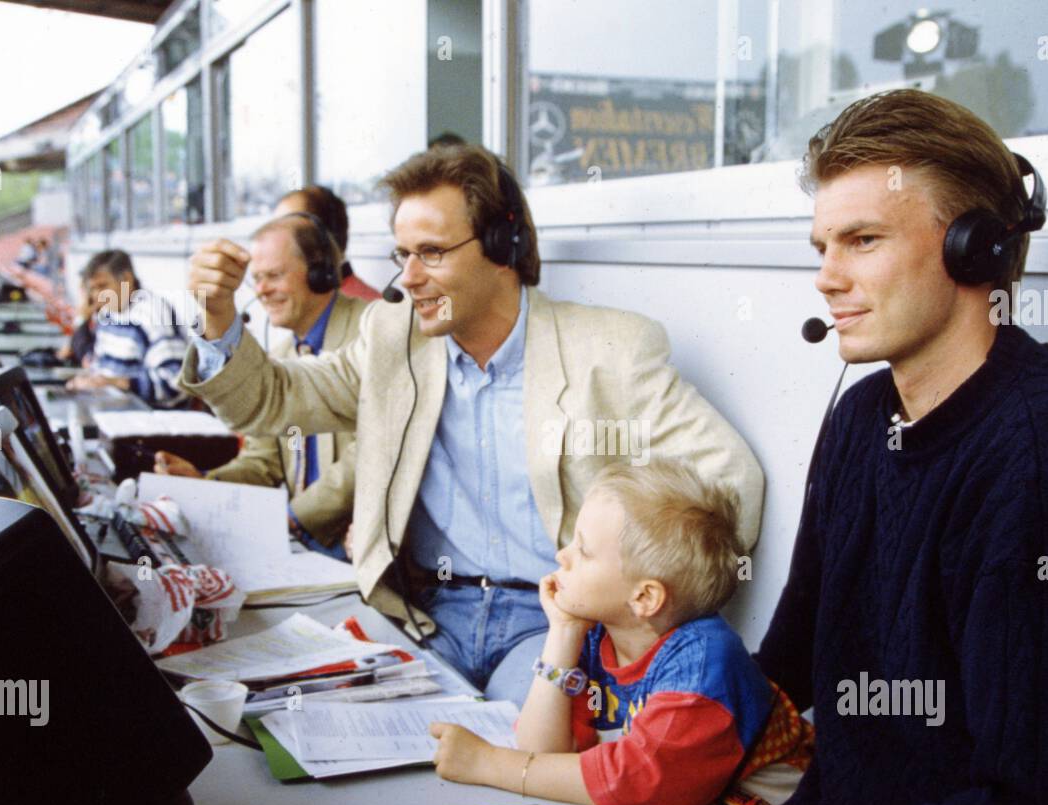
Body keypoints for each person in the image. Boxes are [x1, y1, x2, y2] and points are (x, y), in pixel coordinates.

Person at [556, 89, 1048, 805]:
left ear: (973, 250)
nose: (825, 276)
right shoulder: (862, 419)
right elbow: (789, 663)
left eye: (863, 240)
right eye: (822, 245)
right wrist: (645, 722)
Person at [178, 142, 764, 707]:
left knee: (512, 753)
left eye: (430, 252)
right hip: (428, 615)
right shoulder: (394, 337)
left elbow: (731, 478)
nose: (407, 277)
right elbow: (274, 398)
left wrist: (633, 611)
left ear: (502, 244)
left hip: (553, 623)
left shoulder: (608, 349)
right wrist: (218, 319)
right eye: (401, 255)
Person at [429, 460, 813, 805]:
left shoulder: (704, 661)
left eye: (583, 550)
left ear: (644, 598)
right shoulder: (597, 632)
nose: (562, 556)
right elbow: (543, 751)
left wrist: (488, 764)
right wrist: (563, 632)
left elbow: (637, 783)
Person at [154, 213, 365, 560]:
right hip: (299, 538)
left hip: (347, 546)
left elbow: (371, 450)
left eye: (274, 276)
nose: (262, 290)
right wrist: (205, 483)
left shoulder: (367, 330)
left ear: (321, 272)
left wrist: (295, 518)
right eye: (257, 279)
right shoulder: (281, 355)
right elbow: (263, 460)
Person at [66, 250, 188, 408]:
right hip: (110, 408)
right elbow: (98, 366)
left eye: (103, 286)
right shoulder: (107, 314)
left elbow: (175, 383)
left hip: (146, 418)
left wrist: (118, 382)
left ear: (127, 280)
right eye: (93, 289)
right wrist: (85, 381)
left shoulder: (152, 313)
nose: (97, 295)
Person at [272, 185, 383, 302]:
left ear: (323, 241)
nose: (275, 243)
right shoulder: (300, 303)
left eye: (286, 231)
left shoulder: (370, 312)